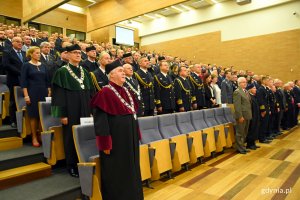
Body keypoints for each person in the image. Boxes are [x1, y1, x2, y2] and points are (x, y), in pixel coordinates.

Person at [90, 62, 144, 200]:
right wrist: (105, 144)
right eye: (120, 70)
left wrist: (136, 134)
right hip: (116, 141)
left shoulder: (127, 91)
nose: (124, 73)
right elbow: (101, 122)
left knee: (132, 167)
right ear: (111, 74)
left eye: (123, 71)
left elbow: (133, 115)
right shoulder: (104, 93)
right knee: (118, 170)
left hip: (130, 138)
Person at [51, 44, 94, 177]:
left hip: (85, 110)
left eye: (79, 53)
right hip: (70, 110)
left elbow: (91, 92)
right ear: (68, 55)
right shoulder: (61, 72)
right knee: (70, 136)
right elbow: (57, 96)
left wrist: (92, 110)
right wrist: (61, 115)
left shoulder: (85, 72)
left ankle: (84, 161)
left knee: (85, 134)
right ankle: (71, 165)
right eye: (75, 52)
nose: (78, 55)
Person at [21, 46, 50, 147]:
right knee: (34, 116)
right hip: (32, 93)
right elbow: (23, 82)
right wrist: (26, 96)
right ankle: (34, 136)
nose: (39, 54)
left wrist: (49, 92)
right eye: (37, 53)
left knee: (43, 115)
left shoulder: (44, 65)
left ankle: (40, 134)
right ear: (31, 54)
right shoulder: (26, 65)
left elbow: (47, 82)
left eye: (39, 53)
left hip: (43, 92)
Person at [2, 37, 27, 127]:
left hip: (24, 80)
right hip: (14, 80)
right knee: (13, 100)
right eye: (17, 42)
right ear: (12, 43)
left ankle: (23, 120)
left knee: (24, 100)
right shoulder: (7, 52)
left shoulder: (25, 53)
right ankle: (13, 120)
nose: (20, 43)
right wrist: (20, 72)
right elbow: (6, 65)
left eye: (21, 42)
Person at [233, 77, 252, 154]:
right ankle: (240, 148)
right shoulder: (237, 92)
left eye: (245, 82)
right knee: (240, 132)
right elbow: (237, 106)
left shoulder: (246, 91)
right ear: (239, 83)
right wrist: (240, 116)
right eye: (243, 82)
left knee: (244, 132)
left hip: (247, 115)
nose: (245, 83)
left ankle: (243, 146)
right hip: (242, 116)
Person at [256, 76, 271, 143]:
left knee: (266, 124)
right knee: (263, 124)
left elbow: (267, 100)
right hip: (264, 110)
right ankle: (261, 138)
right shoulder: (260, 89)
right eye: (267, 81)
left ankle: (264, 137)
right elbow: (260, 100)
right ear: (263, 81)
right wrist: (263, 110)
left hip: (267, 108)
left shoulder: (265, 88)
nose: (268, 82)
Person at [246, 84, 260, 150]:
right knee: (251, 130)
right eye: (254, 88)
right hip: (252, 116)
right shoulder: (249, 97)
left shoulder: (254, 96)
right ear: (250, 89)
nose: (255, 89)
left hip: (256, 115)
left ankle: (253, 143)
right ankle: (249, 144)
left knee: (255, 129)